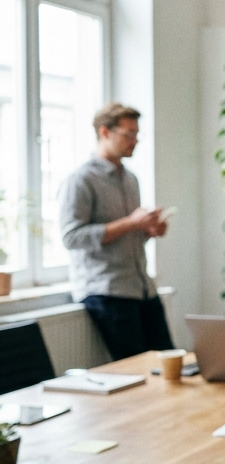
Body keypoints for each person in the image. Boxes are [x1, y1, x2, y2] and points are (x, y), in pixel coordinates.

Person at [61, 103, 174, 362]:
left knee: (169, 365)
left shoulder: (130, 179)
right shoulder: (81, 180)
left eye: (137, 134)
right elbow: (72, 237)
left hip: (142, 288)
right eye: (128, 134)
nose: (134, 140)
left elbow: (126, 233)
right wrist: (132, 223)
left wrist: (148, 228)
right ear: (105, 132)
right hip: (108, 292)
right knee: (135, 373)